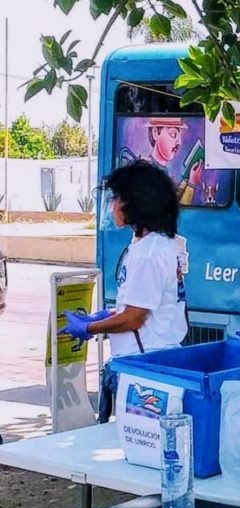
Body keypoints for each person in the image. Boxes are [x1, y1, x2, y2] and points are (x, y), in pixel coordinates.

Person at [60, 161, 189, 423]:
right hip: (158, 358)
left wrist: (89, 329)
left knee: (139, 442)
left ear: (136, 204)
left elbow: (134, 318)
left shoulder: (147, 254)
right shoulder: (158, 245)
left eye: (117, 198)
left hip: (144, 366)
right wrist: (103, 316)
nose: (112, 206)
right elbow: (141, 305)